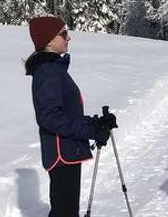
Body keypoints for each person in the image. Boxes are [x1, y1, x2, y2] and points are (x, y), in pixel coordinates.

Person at [24, 16, 117, 217]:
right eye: (64, 34)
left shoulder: (53, 69)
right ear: (49, 40)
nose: (69, 38)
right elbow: (49, 116)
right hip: (62, 154)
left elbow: (66, 113)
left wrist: (96, 123)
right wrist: (91, 129)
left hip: (66, 151)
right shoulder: (48, 71)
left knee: (65, 211)